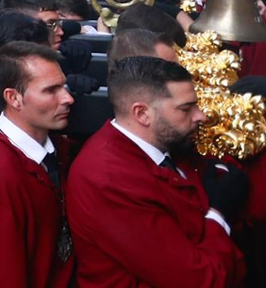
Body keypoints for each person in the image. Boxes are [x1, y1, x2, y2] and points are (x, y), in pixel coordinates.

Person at [66, 56, 247, 288]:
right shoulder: (108, 178)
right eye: (186, 108)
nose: (201, 115)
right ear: (142, 114)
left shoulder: (164, 144)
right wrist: (218, 215)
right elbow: (197, 280)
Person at [0, 42, 75, 288]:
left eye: (64, 86)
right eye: (50, 90)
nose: (68, 98)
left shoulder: (53, 147)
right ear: (14, 98)